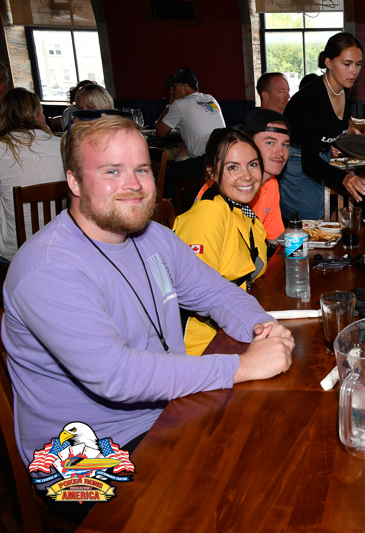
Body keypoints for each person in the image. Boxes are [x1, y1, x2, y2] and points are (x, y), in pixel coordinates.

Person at [1, 115, 293, 520]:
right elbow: (117, 375)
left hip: (165, 413)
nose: (134, 184)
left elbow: (216, 292)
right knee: (229, 499)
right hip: (76, 462)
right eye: (112, 171)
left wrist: (263, 327)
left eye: (141, 169)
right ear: (74, 182)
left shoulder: (153, 238)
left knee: (271, 458)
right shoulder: (49, 269)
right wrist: (241, 366)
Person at [174, 128, 270, 355]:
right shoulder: (208, 214)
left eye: (252, 164)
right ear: (213, 174)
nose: (247, 176)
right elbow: (194, 294)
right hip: (203, 347)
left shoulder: (243, 212)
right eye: (233, 167)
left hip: (234, 328)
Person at [281, 32, 365, 220]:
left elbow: (326, 132)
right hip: (298, 162)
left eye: (358, 64)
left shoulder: (343, 89)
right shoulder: (314, 98)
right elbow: (309, 161)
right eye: (347, 64)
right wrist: (344, 177)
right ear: (328, 62)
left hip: (321, 158)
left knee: (324, 220)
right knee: (309, 225)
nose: (354, 71)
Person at [195, 110, 288, 246]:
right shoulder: (220, 195)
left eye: (285, 145)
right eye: (270, 143)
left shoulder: (271, 183)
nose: (280, 152)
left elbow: (275, 239)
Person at [0, 88, 65, 262]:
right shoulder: (64, 146)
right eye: (42, 112)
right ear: (36, 115)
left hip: (15, 250)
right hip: (62, 244)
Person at [156, 67, 225, 200]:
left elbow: (160, 132)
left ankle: (176, 209)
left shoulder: (180, 103)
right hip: (221, 159)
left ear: (185, 87)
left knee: (162, 173)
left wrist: (170, 103)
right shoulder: (210, 98)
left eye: (173, 88)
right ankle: (190, 200)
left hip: (203, 163)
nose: (171, 92)